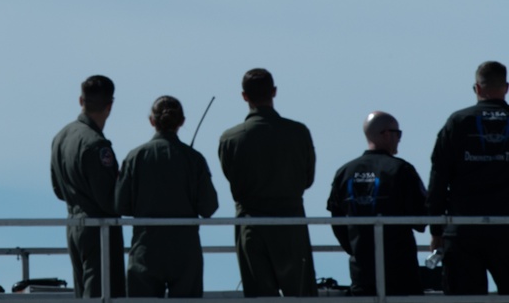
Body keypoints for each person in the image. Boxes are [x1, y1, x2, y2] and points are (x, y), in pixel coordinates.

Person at [217, 68, 317, 297]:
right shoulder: (298, 132)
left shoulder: (230, 138)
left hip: (251, 226)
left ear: (244, 96)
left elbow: (231, 178)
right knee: (300, 295)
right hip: (291, 224)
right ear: (274, 92)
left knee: (259, 296)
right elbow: (307, 180)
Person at [116, 96, 219, 298]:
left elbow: (121, 205)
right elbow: (209, 207)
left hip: (145, 249)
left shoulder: (134, 157)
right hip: (185, 251)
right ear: (182, 121)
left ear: (151, 121)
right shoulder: (194, 159)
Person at [427, 60, 509, 294]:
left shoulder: (457, 122)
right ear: (506, 87)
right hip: (506, 227)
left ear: (477, 88)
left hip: (463, 228)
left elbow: (439, 177)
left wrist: (436, 229)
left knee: (465, 297)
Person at [327, 111, 426, 295]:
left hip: (361, 271)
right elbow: (421, 217)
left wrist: (355, 249)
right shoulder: (401, 170)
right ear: (386, 134)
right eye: (398, 133)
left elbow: (337, 221)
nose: (399, 139)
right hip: (400, 271)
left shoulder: (344, 172)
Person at [50, 74, 125, 298]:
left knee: (84, 294)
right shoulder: (96, 144)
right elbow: (109, 201)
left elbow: (57, 189)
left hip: (73, 226)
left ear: (81, 101)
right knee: (103, 293)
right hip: (98, 229)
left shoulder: (61, 137)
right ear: (110, 105)